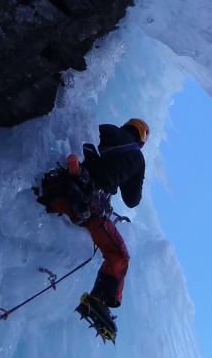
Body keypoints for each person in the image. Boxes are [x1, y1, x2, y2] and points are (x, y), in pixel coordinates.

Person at [35, 118, 149, 339]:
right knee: (119, 254)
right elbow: (132, 200)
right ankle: (100, 299)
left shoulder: (105, 129)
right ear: (142, 138)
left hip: (59, 185)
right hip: (85, 204)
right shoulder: (137, 157)